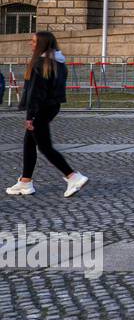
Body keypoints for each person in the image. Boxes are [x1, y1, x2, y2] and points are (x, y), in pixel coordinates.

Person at [7, 31, 88, 198]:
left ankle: (73, 176)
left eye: (34, 41)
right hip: (51, 107)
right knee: (29, 142)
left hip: (40, 109)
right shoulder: (59, 63)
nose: (31, 44)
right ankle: (25, 181)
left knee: (44, 146)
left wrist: (30, 116)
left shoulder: (40, 64)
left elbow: (36, 93)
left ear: (42, 44)